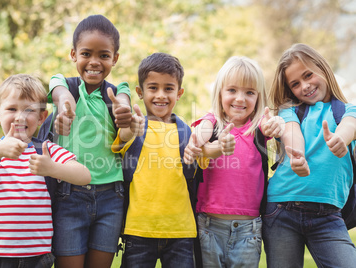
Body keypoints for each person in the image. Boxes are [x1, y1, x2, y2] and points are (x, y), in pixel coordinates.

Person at [0, 74, 91, 268]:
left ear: (41, 118)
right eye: (12, 109)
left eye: (29, 110)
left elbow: (84, 175)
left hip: (37, 256)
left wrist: (53, 168)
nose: (20, 116)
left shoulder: (46, 150)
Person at [47, 15, 136, 268]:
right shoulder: (65, 86)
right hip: (69, 195)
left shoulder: (118, 92)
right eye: (86, 53)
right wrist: (65, 102)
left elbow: (125, 102)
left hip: (111, 196)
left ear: (115, 59)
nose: (94, 62)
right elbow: (57, 86)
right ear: (73, 54)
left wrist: (123, 113)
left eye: (104, 55)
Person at [183, 56, 284, 267]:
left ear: (258, 97)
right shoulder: (212, 122)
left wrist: (277, 123)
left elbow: (274, 125)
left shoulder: (258, 127)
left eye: (249, 92)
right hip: (209, 227)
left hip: (249, 230)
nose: (240, 98)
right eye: (232, 90)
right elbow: (200, 134)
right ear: (220, 93)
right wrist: (196, 142)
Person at [263, 43, 356, 267]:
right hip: (281, 209)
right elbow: (292, 134)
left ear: (323, 69)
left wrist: (339, 140)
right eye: (295, 84)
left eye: (308, 75)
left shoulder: (347, 111)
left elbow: (349, 126)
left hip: (329, 215)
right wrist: (297, 157)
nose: (305, 86)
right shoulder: (289, 111)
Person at [112, 52, 197, 268]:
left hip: (181, 231)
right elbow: (123, 139)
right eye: (153, 88)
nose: (161, 95)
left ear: (179, 93)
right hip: (138, 230)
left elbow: (201, 160)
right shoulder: (135, 126)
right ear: (140, 92)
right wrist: (131, 128)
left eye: (169, 88)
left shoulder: (188, 133)